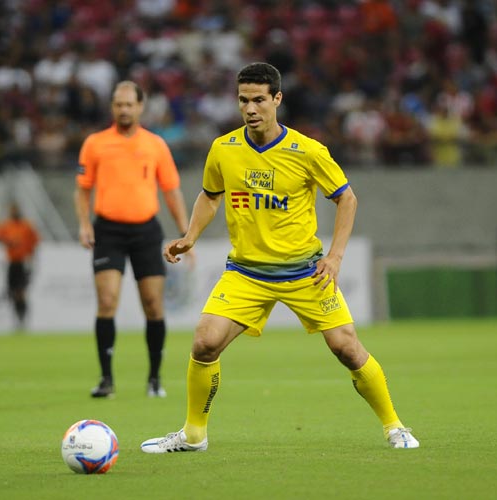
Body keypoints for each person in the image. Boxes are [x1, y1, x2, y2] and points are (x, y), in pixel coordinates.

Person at [140, 63, 419, 452]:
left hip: (305, 271)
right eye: (243, 100)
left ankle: (395, 427)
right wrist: (190, 236)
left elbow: (347, 198)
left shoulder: (307, 151)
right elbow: (210, 195)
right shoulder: (224, 148)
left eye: (258, 100)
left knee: (347, 349)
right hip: (246, 272)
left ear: (277, 99)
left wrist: (335, 257)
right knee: (204, 343)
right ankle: (193, 435)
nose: (250, 108)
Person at [74, 80, 191, 399]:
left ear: (140, 106)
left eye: (129, 104)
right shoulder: (95, 143)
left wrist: (186, 233)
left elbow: (171, 191)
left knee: (153, 305)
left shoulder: (155, 145)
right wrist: (85, 224)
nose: (123, 109)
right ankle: (106, 379)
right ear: (112, 107)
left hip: (145, 231)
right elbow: (83, 188)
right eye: (118, 104)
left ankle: (154, 378)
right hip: (108, 230)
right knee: (107, 301)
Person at [0, 203, 41, 330]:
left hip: (23, 262)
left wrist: (31, 259)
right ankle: (17, 318)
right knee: (13, 292)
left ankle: (23, 318)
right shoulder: (7, 226)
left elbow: (35, 242)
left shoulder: (27, 226)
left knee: (21, 291)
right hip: (11, 262)